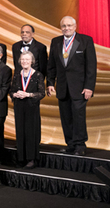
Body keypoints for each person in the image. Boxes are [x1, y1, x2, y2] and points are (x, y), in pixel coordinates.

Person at [47, 16, 97, 156]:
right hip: (62, 87)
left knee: (78, 116)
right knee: (66, 117)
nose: (66, 28)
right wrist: (50, 83)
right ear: (60, 27)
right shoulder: (55, 41)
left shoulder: (86, 40)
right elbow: (51, 65)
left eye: (69, 25)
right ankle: (70, 144)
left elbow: (91, 66)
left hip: (80, 88)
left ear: (75, 26)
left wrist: (89, 87)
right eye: (63, 26)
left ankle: (80, 145)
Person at [10, 51, 45, 168]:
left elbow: (41, 93)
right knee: (20, 131)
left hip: (31, 107)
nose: (25, 61)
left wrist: (28, 95)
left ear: (32, 61)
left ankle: (31, 159)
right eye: (23, 59)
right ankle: (21, 157)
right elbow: (11, 91)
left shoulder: (38, 75)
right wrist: (15, 95)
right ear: (20, 61)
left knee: (31, 132)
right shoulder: (16, 75)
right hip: (19, 107)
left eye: (27, 59)